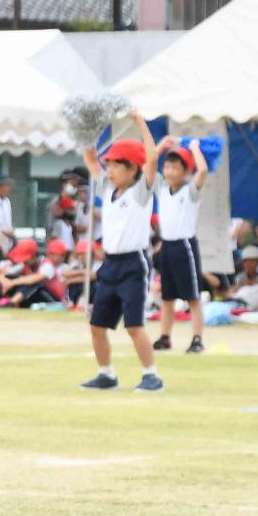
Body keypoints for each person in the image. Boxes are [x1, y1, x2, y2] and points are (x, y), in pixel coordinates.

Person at [77, 115, 163, 392]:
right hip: (110, 264)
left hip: (133, 264)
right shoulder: (108, 189)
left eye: (117, 165)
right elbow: (90, 157)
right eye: (110, 164)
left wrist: (139, 121)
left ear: (132, 168)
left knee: (134, 325)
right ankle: (106, 374)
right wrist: (92, 125)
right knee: (97, 324)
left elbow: (152, 158)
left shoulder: (140, 192)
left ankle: (152, 375)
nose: (110, 169)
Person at [152, 137, 210, 354]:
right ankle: (165, 337)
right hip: (167, 246)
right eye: (167, 166)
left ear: (186, 171)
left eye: (175, 167)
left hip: (185, 246)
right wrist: (161, 148)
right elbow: (147, 165)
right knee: (167, 296)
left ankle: (197, 338)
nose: (169, 171)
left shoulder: (190, 191)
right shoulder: (161, 189)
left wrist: (194, 148)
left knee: (192, 295)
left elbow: (202, 171)